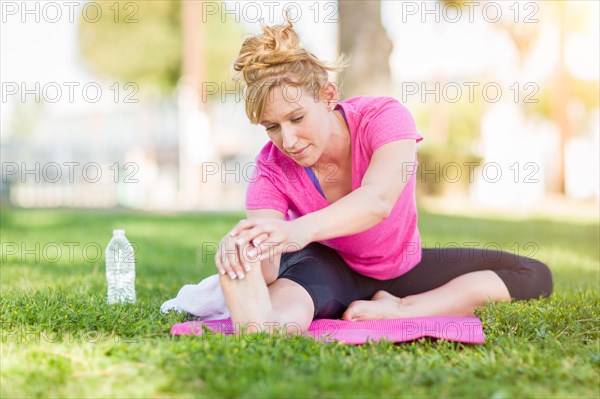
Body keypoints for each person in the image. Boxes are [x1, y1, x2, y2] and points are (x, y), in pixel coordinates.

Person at [214, 21, 553, 335]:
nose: (287, 140)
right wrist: (248, 256)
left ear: (329, 97)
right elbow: (270, 269)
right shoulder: (270, 171)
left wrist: (296, 230)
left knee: (534, 274)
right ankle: (264, 323)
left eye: (297, 118)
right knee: (288, 293)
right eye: (272, 127)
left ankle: (402, 309)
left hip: (404, 267)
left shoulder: (383, 118)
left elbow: (378, 200)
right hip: (327, 267)